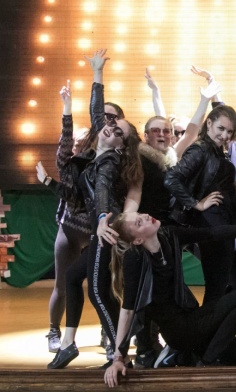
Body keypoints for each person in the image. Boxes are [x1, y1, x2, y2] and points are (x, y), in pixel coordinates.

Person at [103, 212, 236, 387]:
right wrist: (118, 358)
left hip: (194, 319)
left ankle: (184, 357)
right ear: (138, 240)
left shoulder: (168, 235)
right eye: (139, 222)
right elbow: (128, 310)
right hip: (179, 332)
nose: (145, 216)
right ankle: (205, 362)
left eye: (140, 214)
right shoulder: (135, 259)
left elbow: (211, 233)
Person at [47, 49, 144, 369]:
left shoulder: (109, 161)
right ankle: (68, 344)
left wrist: (102, 218)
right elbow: (95, 111)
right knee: (73, 277)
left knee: (99, 293)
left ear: (121, 145)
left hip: (107, 228)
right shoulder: (98, 152)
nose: (110, 129)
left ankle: (118, 355)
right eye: (110, 124)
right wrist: (97, 73)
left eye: (118, 132)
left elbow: (102, 189)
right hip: (102, 227)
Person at [164, 104, 236, 305]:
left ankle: (216, 320)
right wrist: (196, 204)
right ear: (209, 123)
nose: (225, 135)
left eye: (229, 131)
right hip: (209, 225)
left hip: (223, 226)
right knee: (218, 285)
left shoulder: (217, 151)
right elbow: (171, 178)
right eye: (221, 128)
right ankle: (210, 322)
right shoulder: (200, 149)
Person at [36, 80, 92, 353]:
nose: (77, 143)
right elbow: (66, 138)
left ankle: (108, 333)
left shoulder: (99, 166)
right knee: (62, 285)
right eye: (76, 141)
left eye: (84, 140)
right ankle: (53, 332)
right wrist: (67, 108)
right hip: (70, 230)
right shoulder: (65, 163)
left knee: (103, 286)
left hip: (94, 234)